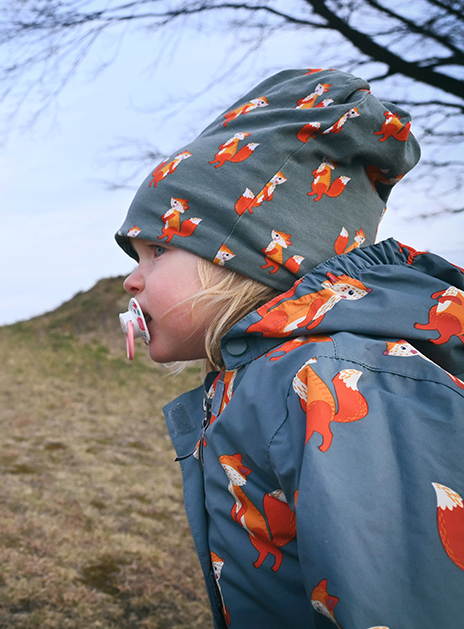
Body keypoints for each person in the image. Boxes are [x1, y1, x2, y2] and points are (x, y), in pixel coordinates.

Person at [114, 68, 464, 628]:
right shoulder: (258, 374)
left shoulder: (332, 379)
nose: (132, 280)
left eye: (156, 251)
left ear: (245, 255)